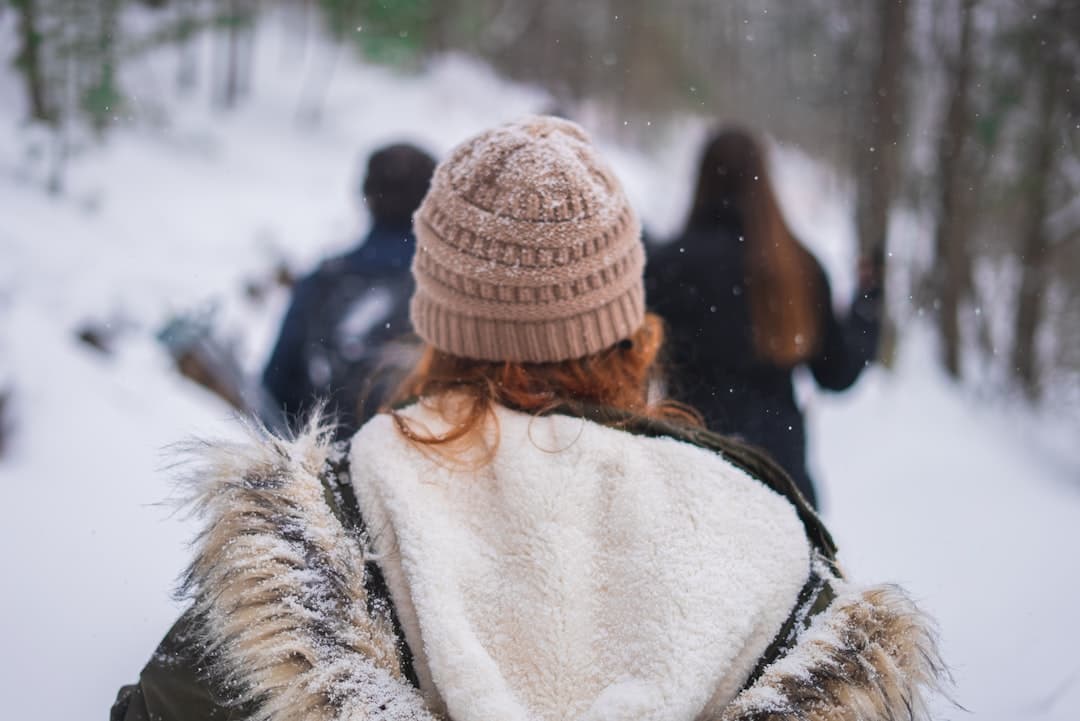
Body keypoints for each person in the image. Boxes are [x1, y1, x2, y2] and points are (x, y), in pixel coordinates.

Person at [113, 117, 942, 721]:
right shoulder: (770, 553)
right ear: (635, 332)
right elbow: (839, 367)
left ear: (434, 326)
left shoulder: (329, 533)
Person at [646, 128, 883, 509]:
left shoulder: (666, 266)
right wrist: (866, 308)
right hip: (779, 483)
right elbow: (838, 373)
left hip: (686, 479)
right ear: (765, 184)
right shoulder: (799, 269)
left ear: (703, 180)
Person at [262, 142, 437, 437]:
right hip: (419, 471)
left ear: (366, 196)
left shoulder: (323, 281)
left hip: (324, 469)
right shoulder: (449, 295)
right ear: (434, 203)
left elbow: (274, 392)